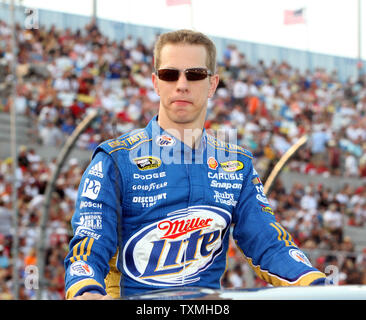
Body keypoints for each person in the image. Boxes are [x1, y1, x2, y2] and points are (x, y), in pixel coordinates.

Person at [64, 29, 328, 300]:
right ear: (156, 83)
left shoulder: (237, 164)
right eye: (170, 74)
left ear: (212, 84)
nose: (181, 84)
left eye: (195, 74)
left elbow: (269, 244)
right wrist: (87, 290)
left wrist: (317, 286)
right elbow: (88, 247)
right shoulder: (115, 160)